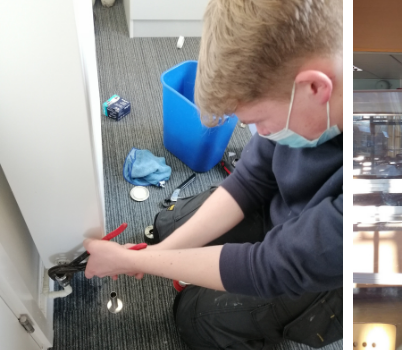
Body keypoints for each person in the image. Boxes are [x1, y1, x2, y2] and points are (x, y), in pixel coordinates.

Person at [82, 0, 343, 348]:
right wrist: (152, 258)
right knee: (167, 227)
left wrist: (139, 260)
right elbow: (251, 180)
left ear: (315, 88)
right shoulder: (296, 100)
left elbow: (269, 267)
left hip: (325, 275)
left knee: (195, 318)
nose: (258, 132)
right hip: (283, 212)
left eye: (256, 121)